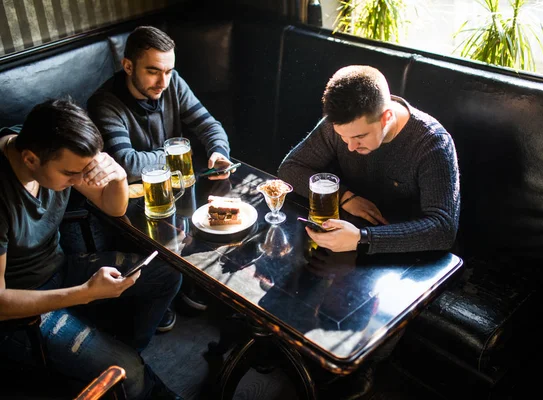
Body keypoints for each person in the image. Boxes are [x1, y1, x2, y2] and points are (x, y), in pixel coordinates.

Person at [278, 65, 460, 399]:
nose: (348, 147)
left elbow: (443, 228)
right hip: (353, 227)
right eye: (343, 138)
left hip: (407, 243)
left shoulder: (432, 143)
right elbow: (291, 168)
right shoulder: (343, 125)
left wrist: (364, 239)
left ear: (386, 116)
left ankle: (365, 366)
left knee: (367, 305)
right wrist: (348, 197)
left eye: (359, 138)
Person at [0, 99, 182, 399]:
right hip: (21, 311)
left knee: (167, 272)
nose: (79, 180)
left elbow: (113, 206)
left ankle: (113, 355)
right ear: (31, 160)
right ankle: (122, 370)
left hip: (60, 268)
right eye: (72, 175)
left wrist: (119, 176)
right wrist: (85, 293)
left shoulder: (54, 146)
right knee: (128, 371)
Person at [88, 26, 234, 324]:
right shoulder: (104, 102)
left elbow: (209, 124)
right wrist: (179, 155)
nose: (163, 81)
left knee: (223, 219)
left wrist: (219, 151)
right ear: (128, 66)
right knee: (172, 238)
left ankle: (190, 285)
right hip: (132, 199)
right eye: (153, 71)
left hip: (177, 185)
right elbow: (125, 163)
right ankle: (167, 291)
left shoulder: (173, 83)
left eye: (169, 71)